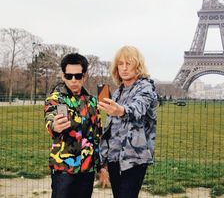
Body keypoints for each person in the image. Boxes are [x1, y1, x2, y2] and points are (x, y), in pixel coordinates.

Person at [44, 53, 109, 198]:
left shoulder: (92, 102)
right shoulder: (55, 99)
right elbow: (50, 118)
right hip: (63, 170)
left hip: (87, 171)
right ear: (63, 76)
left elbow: (97, 136)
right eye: (69, 76)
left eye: (78, 76)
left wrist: (101, 167)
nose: (73, 80)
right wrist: (54, 126)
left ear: (84, 76)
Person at [98, 45, 158, 198]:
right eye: (120, 64)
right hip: (114, 157)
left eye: (129, 63)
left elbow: (138, 108)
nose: (124, 68)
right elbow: (110, 129)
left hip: (134, 158)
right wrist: (103, 160)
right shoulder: (118, 92)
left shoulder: (145, 87)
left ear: (138, 66)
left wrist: (121, 111)